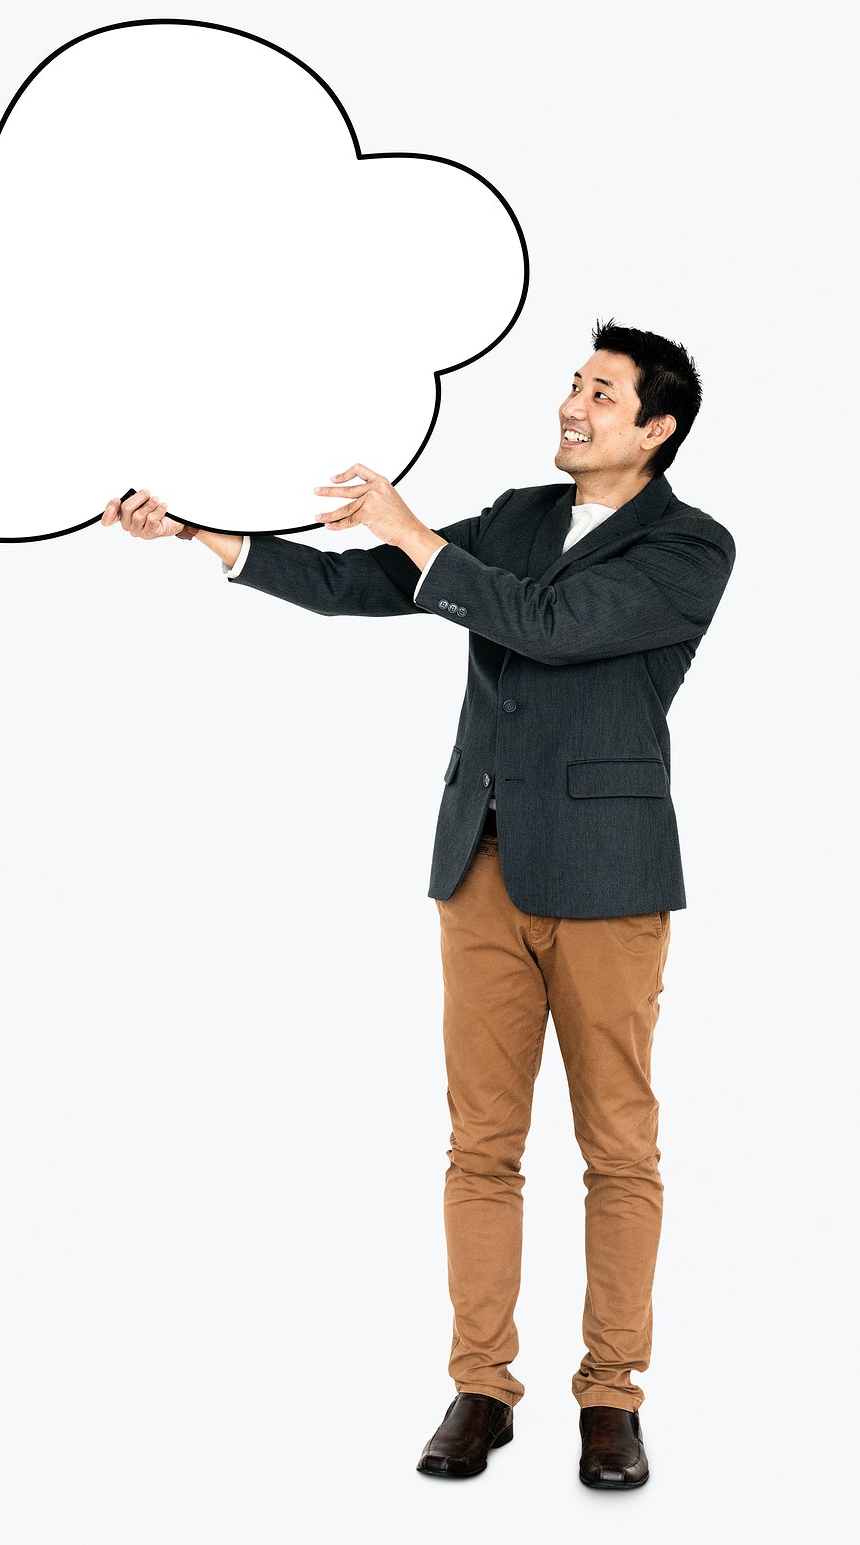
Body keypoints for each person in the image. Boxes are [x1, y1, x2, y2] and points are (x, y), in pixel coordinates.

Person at [101, 321, 734, 1490]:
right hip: (479, 867)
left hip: (608, 877)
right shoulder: (516, 515)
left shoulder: (692, 547)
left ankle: (612, 1396)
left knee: (618, 1147)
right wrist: (206, 535)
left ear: (657, 428)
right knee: (481, 1144)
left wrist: (415, 531)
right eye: (573, 383)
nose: (572, 404)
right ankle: (482, 1384)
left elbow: (549, 629)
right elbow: (357, 585)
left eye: (600, 392)